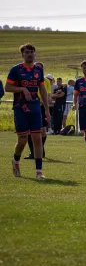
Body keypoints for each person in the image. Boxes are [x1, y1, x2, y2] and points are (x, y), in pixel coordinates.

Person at [5, 43, 51, 179]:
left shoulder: (38, 70)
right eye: (27, 52)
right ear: (22, 55)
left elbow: (42, 89)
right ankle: (16, 160)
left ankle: (39, 172)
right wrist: (22, 89)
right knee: (23, 140)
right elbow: (7, 87)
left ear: (35, 54)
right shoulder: (16, 70)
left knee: (37, 138)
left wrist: (47, 109)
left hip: (35, 107)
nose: (29, 54)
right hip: (20, 108)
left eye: (31, 52)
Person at [25, 61, 49, 159]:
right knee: (30, 131)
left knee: (42, 130)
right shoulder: (28, 78)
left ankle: (40, 149)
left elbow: (48, 94)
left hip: (41, 106)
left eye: (40, 68)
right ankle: (33, 152)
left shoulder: (45, 80)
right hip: (30, 105)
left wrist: (46, 105)